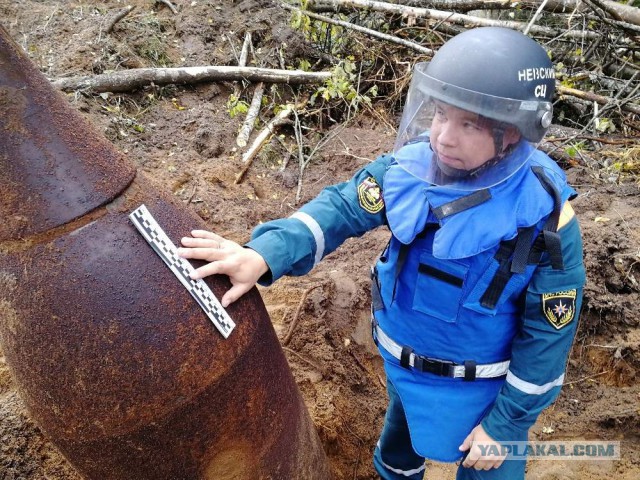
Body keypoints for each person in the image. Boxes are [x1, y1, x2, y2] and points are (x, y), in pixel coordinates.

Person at [178, 27, 586, 480]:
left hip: (486, 394)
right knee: (396, 458)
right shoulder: (409, 172)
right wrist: (264, 253)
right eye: (441, 115)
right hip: (403, 370)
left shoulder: (546, 219)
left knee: (491, 468)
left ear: (512, 134)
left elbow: (547, 337)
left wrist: (506, 424)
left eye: (468, 124)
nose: (444, 138)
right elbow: (341, 208)